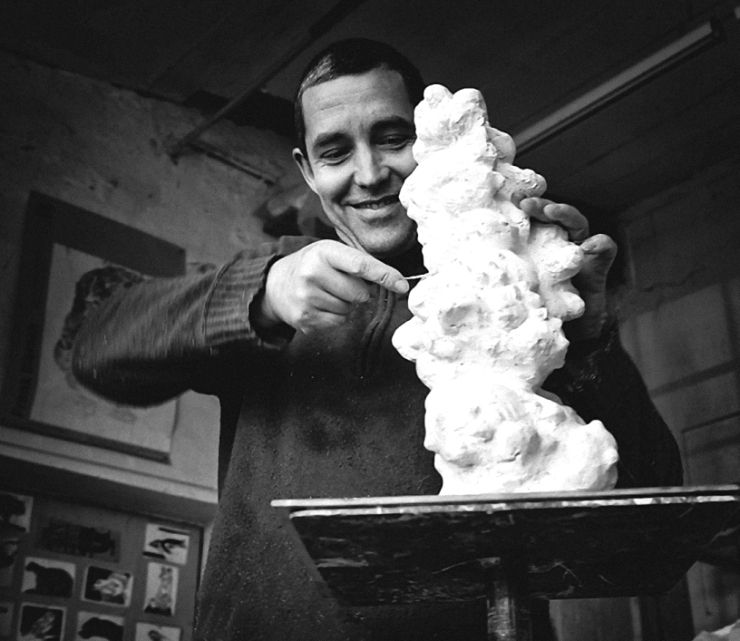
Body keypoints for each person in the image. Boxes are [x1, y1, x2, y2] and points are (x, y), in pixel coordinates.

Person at [72, 38, 683, 641]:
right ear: (307, 171)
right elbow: (97, 351)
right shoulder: (276, 282)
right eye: (335, 152)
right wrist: (260, 295)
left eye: (393, 138)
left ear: (431, 141)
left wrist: (591, 337)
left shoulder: (519, 301)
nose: (369, 174)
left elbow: (656, 533)